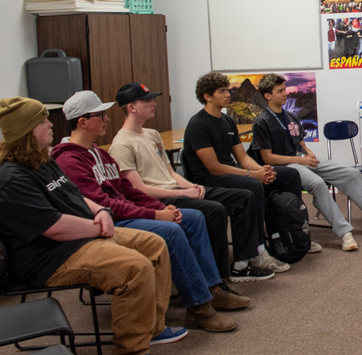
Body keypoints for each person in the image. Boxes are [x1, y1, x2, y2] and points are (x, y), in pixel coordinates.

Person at [0, 96, 177, 355]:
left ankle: (152, 328)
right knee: (134, 267)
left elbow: (76, 195)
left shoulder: (40, 159)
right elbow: (54, 227)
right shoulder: (11, 180)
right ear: (25, 131)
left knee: (155, 244)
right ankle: (130, 353)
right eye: (42, 121)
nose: (50, 124)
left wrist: (102, 211)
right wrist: (99, 228)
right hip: (50, 258)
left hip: (81, 236)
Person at [53, 91, 245, 333]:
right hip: (107, 224)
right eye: (100, 115)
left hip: (127, 214)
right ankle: (199, 307)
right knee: (172, 231)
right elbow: (105, 205)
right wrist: (156, 215)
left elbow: (127, 190)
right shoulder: (69, 161)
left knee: (193, 217)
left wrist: (162, 207)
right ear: (82, 121)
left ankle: (212, 288)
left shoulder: (99, 153)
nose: (106, 119)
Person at [108, 82, 272, 284]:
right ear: (131, 107)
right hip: (160, 199)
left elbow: (170, 173)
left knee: (244, 197)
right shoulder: (122, 144)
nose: (154, 104)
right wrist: (185, 193)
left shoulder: (152, 135)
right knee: (215, 210)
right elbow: (138, 190)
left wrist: (190, 187)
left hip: (178, 190)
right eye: (147, 101)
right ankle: (217, 278)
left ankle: (242, 263)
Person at [251, 73, 362, 251]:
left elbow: (300, 142)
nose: (285, 93)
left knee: (352, 174)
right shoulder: (262, 122)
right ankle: (344, 233)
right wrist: (301, 161)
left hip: (300, 159)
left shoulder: (290, 116)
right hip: (285, 166)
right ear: (267, 96)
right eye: (279, 91)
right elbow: (267, 158)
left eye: (284, 89)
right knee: (317, 183)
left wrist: (309, 154)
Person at [182, 71, 310, 272]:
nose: (228, 94)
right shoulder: (198, 124)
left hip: (229, 172)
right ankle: (257, 251)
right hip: (208, 178)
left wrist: (263, 170)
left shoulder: (227, 121)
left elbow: (242, 157)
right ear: (207, 96)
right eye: (222, 91)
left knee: (289, 175)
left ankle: (291, 234)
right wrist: (253, 175)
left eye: (227, 90)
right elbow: (213, 167)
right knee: (253, 185)